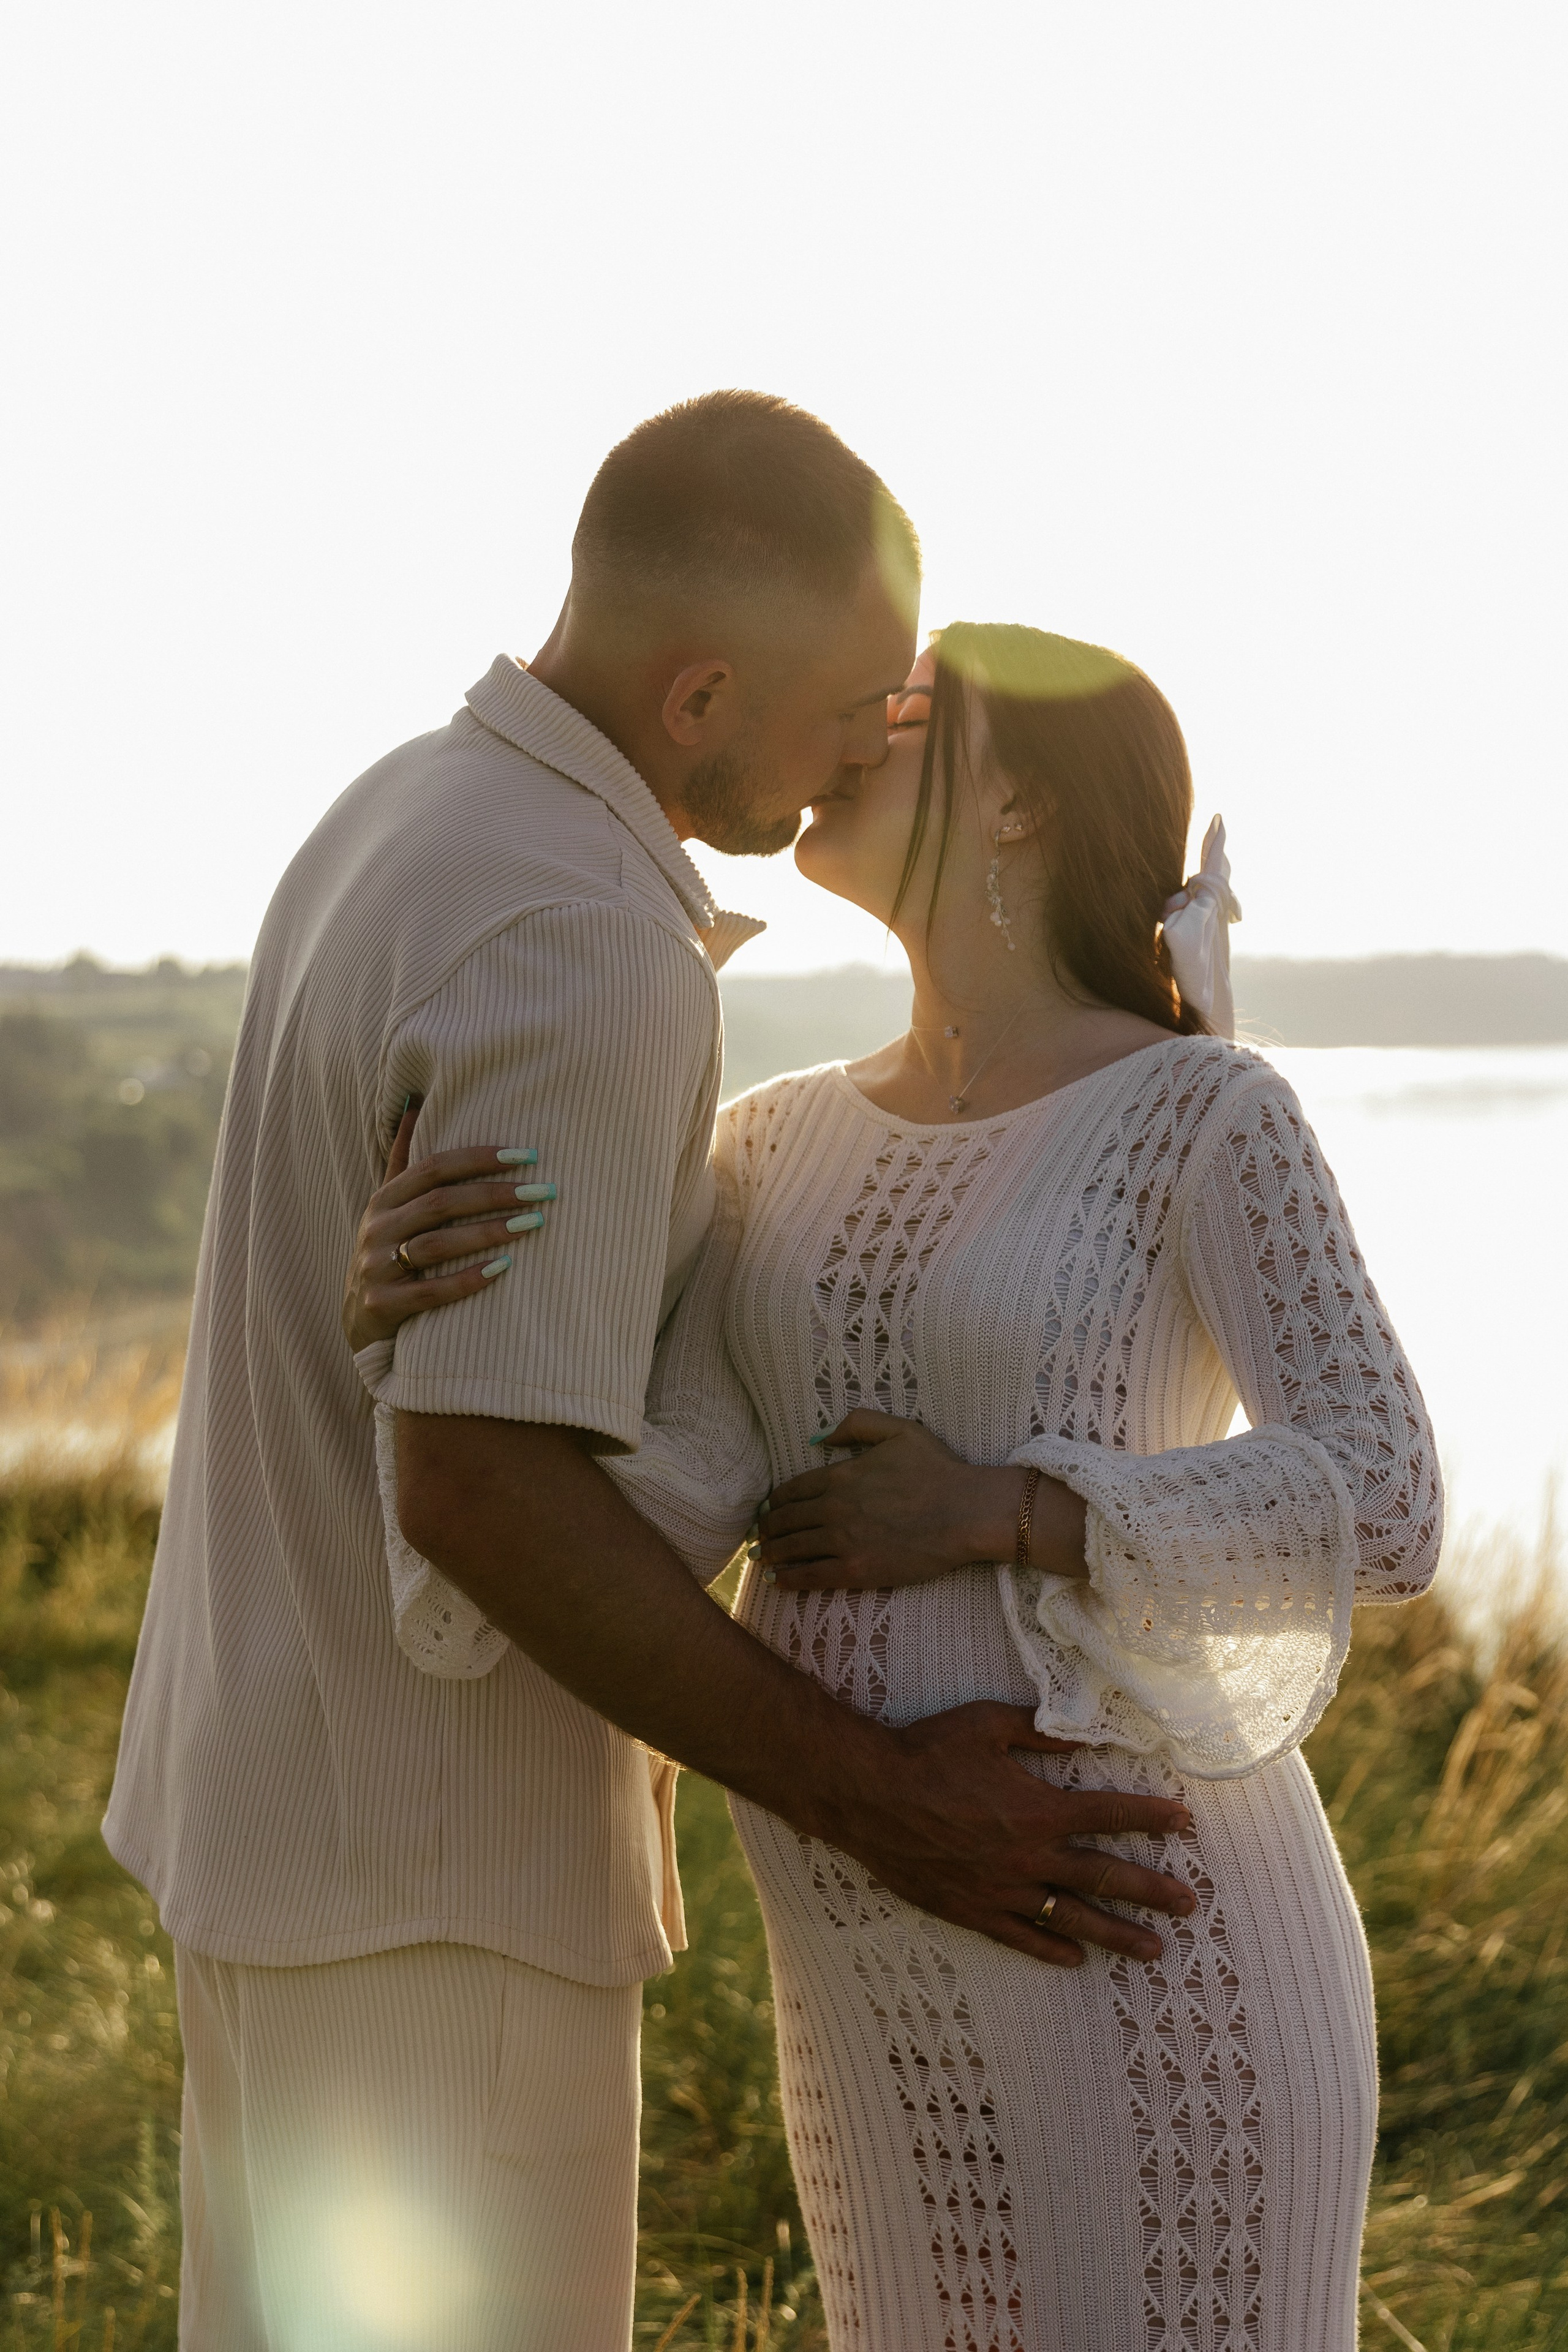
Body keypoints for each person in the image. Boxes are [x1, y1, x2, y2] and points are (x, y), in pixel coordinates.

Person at [104, 403, 1197, 2352]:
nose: (872, 745)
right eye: (855, 707)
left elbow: (438, 1380)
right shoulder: (589, 938)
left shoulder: (402, 814)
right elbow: (481, 1494)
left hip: (274, 1833)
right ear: (699, 694)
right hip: (435, 1896)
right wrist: (887, 1799)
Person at [353, 623, 1443, 2352]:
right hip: (876, 1972)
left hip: (1147, 1936)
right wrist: (433, 1329)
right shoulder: (773, 1141)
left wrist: (1014, 1506)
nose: (854, 733)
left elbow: (1385, 1498)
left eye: (911, 714)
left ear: (1019, 802)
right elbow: (644, 1517)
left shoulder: (1204, 1113)